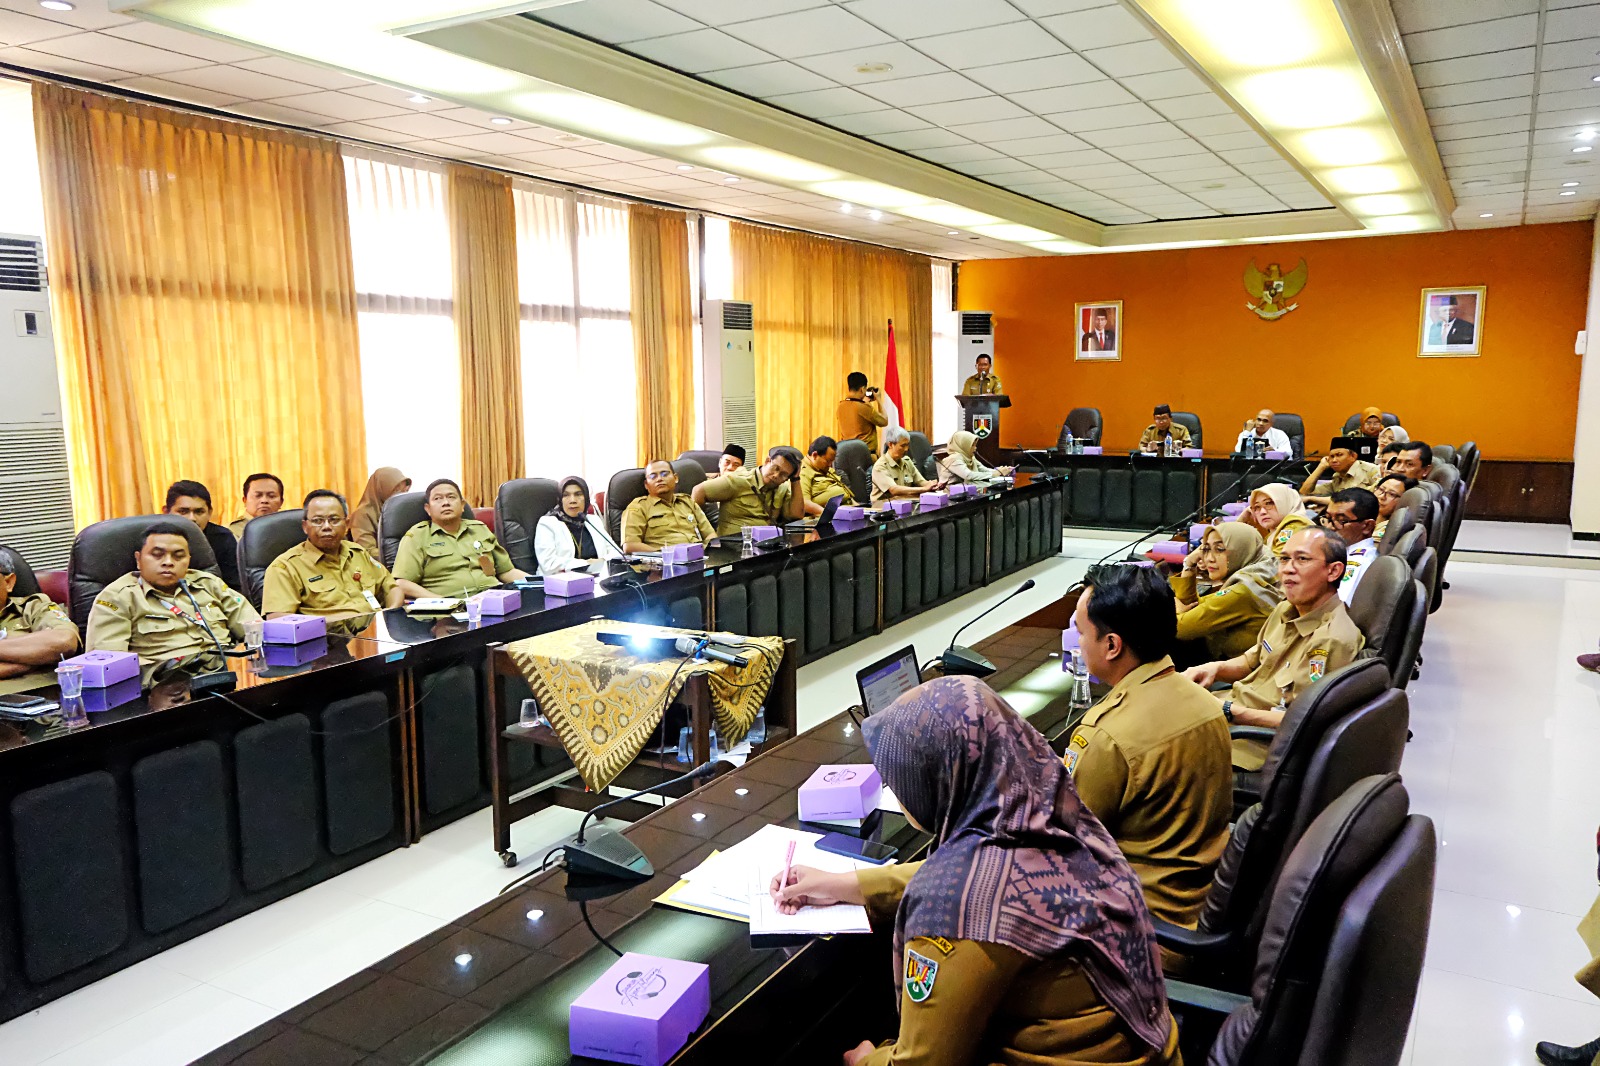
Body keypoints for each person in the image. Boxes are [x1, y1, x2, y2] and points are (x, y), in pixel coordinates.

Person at [771, 675, 1180, 1066]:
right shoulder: (1049, 811)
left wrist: (867, 1060)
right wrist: (844, 884)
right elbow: (998, 881)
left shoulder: (953, 909)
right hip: (1147, 1046)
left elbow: (923, 1064)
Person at [1066, 564, 1232, 932]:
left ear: (1112, 645)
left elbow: (1067, 842)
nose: (1077, 643)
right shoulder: (1207, 703)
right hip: (1204, 903)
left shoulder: (1106, 735)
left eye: (1081, 632)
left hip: (1138, 923)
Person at [1184, 527, 1364, 771]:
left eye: (1302, 559)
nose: (1288, 569)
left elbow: (1305, 720)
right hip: (1229, 710)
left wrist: (1231, 712)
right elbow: (1252, 660)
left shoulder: (1333, 640)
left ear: (1333, 571)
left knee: (1154, 751)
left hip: (1252, 742)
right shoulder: (1285, 609)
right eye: (1284, 559)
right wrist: (1213, 668)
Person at [86, 520, 260, 687]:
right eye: (157, 555)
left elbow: (257, 631)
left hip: (225, 677)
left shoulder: (209, 584)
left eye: (178, 556)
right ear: (138, 560)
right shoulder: (117, 597)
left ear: (188, 560)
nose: (168, 562)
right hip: (164, 687)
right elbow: (110, 667)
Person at [262, 490, 402, 619]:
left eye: (334, 520)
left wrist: (390, 616)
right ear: (305, 527)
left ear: (346, 524)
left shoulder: (357, 553)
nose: (327, 526)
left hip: (375, 631)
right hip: (328, 636)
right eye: (318, 521)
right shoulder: (285, 568)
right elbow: (278, 620)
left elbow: (391, 588)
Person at [391, 479, 527, 599]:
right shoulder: (417, 536)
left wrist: (537, 582)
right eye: (437, 499)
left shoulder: (479, 529)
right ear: (428, 509)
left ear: (462, 505)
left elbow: (506, 571)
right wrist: (441, 601)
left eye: (451, 497)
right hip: (449, 610)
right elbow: (402, 583)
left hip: (494, 600)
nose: (445, 503)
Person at [1170, 523, 1282, 662]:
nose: (1209, 558)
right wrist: (1190, 563)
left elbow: (1179, 629)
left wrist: (1176, 610)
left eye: (1220, 550)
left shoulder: (1242, 592)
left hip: (1237, 669)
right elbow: (1193, 605)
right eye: (1206, 549)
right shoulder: (1262, 569)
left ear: (1241, 550)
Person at [0, 548, 79, 684]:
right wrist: (32, 658)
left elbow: (64, 641)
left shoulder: (33, 607)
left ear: (8, 582)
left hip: (37, 693)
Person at [693, 446, 806, 536]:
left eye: (783, 474)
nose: (776, 475)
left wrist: (795, 479)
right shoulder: (738, 480)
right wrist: (706, 532)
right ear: (767, 461)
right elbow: (698, 491)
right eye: (775, 468)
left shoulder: (782, 488)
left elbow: (796, 515)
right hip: (734, 546)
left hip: (766, 545)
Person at [620, 460, 715, 553]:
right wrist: (668, 554)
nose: (659, 479)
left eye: (664, 474)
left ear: (675, 478)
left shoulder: (687, 501)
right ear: (646, 485)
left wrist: (710, 553)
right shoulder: (638, 507)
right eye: (653, 476)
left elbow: (710, 535)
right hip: (664, 561)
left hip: (699, 557)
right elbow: (630, 546)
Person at [534, 476, 623, 575]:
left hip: (596, 579)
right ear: (560, 500)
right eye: (566, 495)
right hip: (559, 582)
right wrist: (587, 563)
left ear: (586, 498)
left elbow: (617, 553)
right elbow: (548, 564)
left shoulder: (593, 521)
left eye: (578, 494)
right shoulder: (547, 523)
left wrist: (601, 560)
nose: (573, 500)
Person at [164, 480, 242, 591]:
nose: (192, 518)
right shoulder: (152, 539)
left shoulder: (223, 538)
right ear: (166, 512)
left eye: (199, 512)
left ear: (209, 513)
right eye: (183, 511)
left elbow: (234, 588)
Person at [1325, 488, 1380, 606]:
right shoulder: (1343, 552)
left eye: (1341, 521)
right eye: (1328, 518)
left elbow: (1339, 607)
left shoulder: (1359, 562)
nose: (1330, 527)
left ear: (1367, 526)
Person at [1299, 438, 1380, 509]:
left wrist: (1312, 499)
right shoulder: (1337, 477)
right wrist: (1321, 467)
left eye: (1339, 455)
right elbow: (1305, 492)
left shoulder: (1371, 470)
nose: (1334, 460)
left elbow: (1350, 501)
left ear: (1353, 456)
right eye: (1331, 457)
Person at [871, 427, 943, 503]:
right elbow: (894, 490)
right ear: (890, 444)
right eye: (903, 446)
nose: (906, 449)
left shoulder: (907, 461)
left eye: (907, 445)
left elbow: (921, 482)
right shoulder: (880, 466)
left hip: (906, 503)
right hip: (885, 507)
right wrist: (924, 489)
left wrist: (933, 485)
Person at [349, 467, 410, 555]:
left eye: (405, 491)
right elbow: (366, 551)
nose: (402, 495)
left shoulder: (401, 510)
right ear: (382, 489)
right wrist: (399, 555)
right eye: (397, 490)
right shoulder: (362, 515)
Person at [1249, 483, 1315, 556]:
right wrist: (1242, 519)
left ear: (1286, 502)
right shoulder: (1274, 531)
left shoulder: (1293, 526)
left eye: (1268, 503)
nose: (1262, 512)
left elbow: (1277, 561)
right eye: (1257, 507)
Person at [837, 371, 888, 458]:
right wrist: (879, 399)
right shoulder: (864, 407)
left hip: (847, 454)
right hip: (865, 456)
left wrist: (864, 402)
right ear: (862, 389)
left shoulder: (840, 406)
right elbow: (884, 421)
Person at [939, 429, 1012, 486]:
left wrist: (1001, 471)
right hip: (951, 495)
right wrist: (995, 474)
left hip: (967, 491)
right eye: (972, 445)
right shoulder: (953, 459)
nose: (975, 448)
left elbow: (983, 470)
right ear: (963, 445)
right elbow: (968, 475)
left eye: (975, 445)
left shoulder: (969, 457)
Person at [799, 436, 853, 506]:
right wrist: (825, 512)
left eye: (832, 461)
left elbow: (847, 494)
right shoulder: (803, 472)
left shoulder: (826, 469)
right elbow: (804, 503)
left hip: (848, 508)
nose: (830, 465)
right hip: (826, 512)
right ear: (815, 455)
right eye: (827, 461)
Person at [229, 472, 285, 537]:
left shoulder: (288, 529)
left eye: (271, 496)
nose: (264, 500)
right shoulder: (230, 531)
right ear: (245, 500)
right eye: (258, 495)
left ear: (281, 502)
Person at [1372, 474, 1416, 540]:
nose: (1381, 497)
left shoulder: (1391, 530)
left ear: (1404, 500)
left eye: (1391, 494)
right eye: (1381, 489)